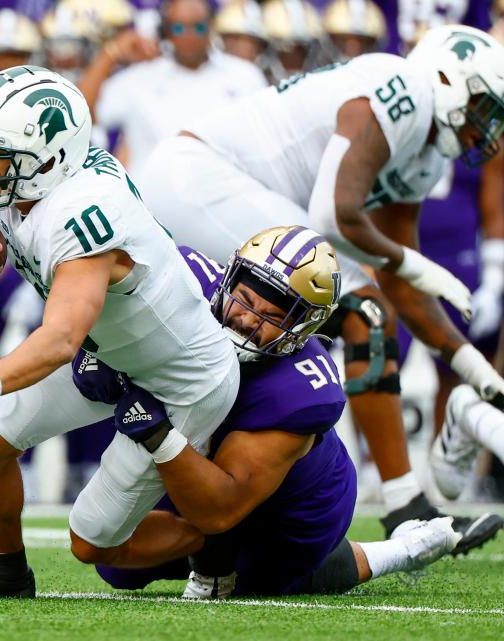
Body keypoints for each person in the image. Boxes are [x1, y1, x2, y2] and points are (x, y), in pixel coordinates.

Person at [137, 24, 504, 552]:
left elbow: (400, 278)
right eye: (483, 109)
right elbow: (335, 214)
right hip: (199, 177)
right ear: (448, 79)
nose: (484, 132)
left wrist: (473, 366)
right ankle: (405, 507)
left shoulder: (425, 153)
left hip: (229, 190)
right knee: (363, 310)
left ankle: (241, 489)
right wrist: (412, 265)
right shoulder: (398, 86)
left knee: (294, 331)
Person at [0, 65, 240, 598]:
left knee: (92, 544)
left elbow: (60, 339)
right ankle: (6, 574)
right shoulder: (24, 181)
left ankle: (227, 545)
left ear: (48, 159)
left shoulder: (84, 211)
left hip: (181, 377)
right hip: (112, 356)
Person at [68, 227, 463, 597]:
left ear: (303, 329)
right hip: (199, 459)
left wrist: (156, 433)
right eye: (245, 298)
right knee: (117, 562)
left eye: (274, 317)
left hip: (291, 506)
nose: (247, 319)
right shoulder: (187, 286)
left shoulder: (297, 391)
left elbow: (218, 511)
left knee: (263, 574)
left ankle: (400, 552)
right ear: (228, 279)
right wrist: (96, 349)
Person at [78, 0, 267, 174]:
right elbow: (81, 116)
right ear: (166, 31)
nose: (189, 36)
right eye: (179, 28)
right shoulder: (138, 79)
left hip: (224, 198)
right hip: (150, 205)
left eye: (199, 27)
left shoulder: (245, 76)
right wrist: (111, 53)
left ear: (211, 27)